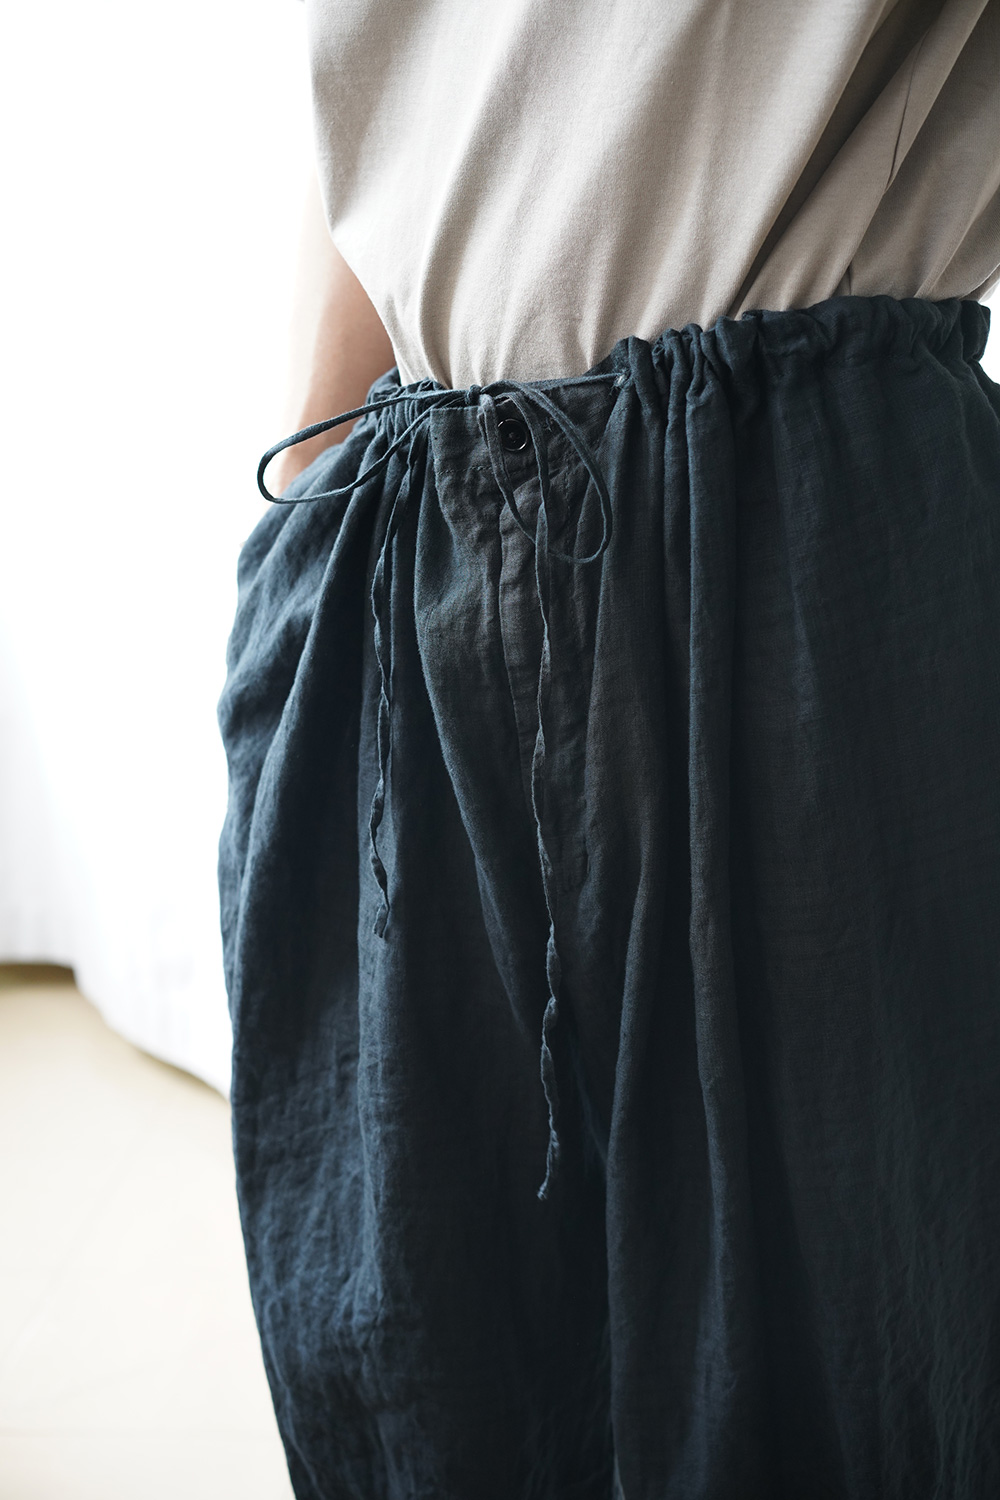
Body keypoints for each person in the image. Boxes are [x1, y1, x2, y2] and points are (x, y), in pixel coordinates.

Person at [217, 3, 1000, 1497]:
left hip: (798, 525)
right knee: (420, 1379)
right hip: (404, 532)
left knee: (841, 1397)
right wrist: (308, 494)